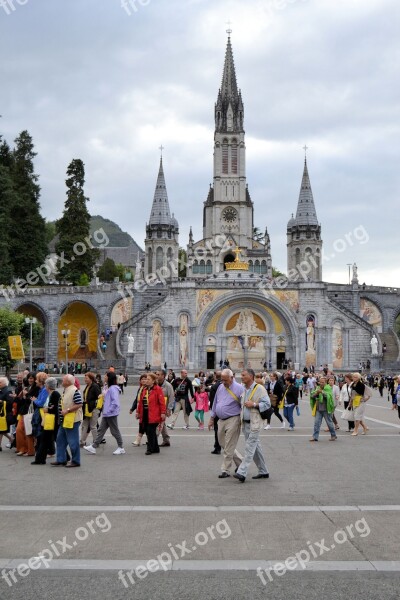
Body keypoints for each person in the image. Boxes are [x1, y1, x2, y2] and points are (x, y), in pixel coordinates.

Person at [233, 369, 270, 483]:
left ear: (251, 376)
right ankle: (264, 471)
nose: (241, 377)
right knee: (256, 448)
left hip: (255, 423)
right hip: (246, 423)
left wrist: (253, 404)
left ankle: (242, 472)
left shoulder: (259, 388)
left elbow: (267, 404)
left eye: (243, 375)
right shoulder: (245, 389)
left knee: (249, 448)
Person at [208, 369, 244, 478]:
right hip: (221, 420)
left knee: (229, 444)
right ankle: (242, 464)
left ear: (232, 377)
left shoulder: (239, 388)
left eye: (225, 380)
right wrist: (211, 417)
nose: (223, 382)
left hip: (233, 419)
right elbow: (215, 402)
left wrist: (244, 420)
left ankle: (225, 469)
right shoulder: (220, 387)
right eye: (222, 380)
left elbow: (244, 404)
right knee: (222, 442)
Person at [84, 371, 125, 455]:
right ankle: (94, 446)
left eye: (106, 376)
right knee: (101, 430)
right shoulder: (108, 387)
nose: (104, 377)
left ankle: (121, 447)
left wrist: (109, 410)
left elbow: (115, 402)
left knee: (114, 431)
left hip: (111, 413)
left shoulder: (113, 388)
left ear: (109, 378)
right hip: (107, 413)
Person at [51, 374, 83, 467]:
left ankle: (76, 461)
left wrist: (67, 410)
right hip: (64, 420)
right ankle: (61, 459)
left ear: (68, 382)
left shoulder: (74, 390)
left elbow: (79, 404)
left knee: (73, 441)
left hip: (72, 420)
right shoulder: (67, 390)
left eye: (63, 380)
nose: (62, 381)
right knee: (60, 440)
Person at [31, 377, 60, 465]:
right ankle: (40, 459)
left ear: (47, 386)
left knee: (57, 439)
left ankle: (65, 457)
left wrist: (48, 409)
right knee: (45, 439)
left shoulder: (55, 394)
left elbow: (56, 408)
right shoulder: (51, 394)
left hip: (53, 420)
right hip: (49, 420)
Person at [136, 372, 166, 455]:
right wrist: (138, 412)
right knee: (149, 431)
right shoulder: (144, 389)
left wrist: (163, 412)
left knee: (150, 431)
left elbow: (162, 402)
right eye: (146, 379)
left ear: (153, 381)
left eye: (148, 379)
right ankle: (156, 448)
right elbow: (141, 403)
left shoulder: (158, 389)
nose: (146, 381)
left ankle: (149, 448)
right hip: (145, 413)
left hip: (154, 413)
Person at [15, 372, 38, 457]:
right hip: (24, 411)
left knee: (28, 431)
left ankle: (30, 450)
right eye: (29, 378)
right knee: (19, 430)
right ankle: (22, 449)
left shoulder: (36, 388)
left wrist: (26, 395)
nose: (30, 380)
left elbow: (33, 400)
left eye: (31, 378)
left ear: (35, 379)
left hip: (30, 412)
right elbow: (21, 400)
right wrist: (21, 396)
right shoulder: (27, 387)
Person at [309, 376, 337, 442]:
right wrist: (317, 393)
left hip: (326, 409)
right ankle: (315, 437)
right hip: (318, 409)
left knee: (329, 423)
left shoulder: (328, 388)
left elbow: (329, 397)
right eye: (320, 382)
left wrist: (322, 392)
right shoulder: (317, 388)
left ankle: (333, 435)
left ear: (325, 382)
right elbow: (312, 396)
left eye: (323, 382)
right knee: (316, 423)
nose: (321, 383)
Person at [80, 372, 101, 447]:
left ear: (91, 378)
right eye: (85, 378)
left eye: (86, 378)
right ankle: (82, 441)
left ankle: (96, 442)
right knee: (84, 425)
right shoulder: (88, 386)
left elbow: (100, 397)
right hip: (87, 408)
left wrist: (98, 408)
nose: (85, 379)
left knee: (93, 426)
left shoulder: (95, 386)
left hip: (94, 408)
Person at [155, 369, 175, 447]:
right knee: (162, 424)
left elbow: (171, 398)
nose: (156, 376)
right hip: (156, 408)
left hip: (163, 409)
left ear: (163, 376)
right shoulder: (155, 384)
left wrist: (169, 409)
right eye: (156, 374)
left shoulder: (168, 385)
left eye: (158, 374)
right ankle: (166, 440)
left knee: (159, 424)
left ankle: (153, 439)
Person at [130, 374, 147, 446]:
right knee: (143, 424)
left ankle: (138, 440)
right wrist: (132, 409)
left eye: (145, 379)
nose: (143, 380)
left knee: (143, 425)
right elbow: (137, 399)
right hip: (140, 408)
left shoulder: (148, 388)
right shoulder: (140, 388)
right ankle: (139, 440)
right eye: (142, 379)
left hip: (146, 409)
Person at [209, 371, 222, 455]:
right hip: (227, 411)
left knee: (217, 429)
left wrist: (212, 414)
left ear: (215, 377)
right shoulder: (227, 385)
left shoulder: (214, 386)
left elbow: (212, 400)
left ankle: (217, 447)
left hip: (217, 411)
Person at [0, 377, 15, 451]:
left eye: (0, 382)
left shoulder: (7, 391)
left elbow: (10, 402)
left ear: (4, 383)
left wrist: (1, 402)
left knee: (2, 429)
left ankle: (12, 440)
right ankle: (12, 440)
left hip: (5, 414)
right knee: (2, 430)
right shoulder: (2, 390)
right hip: (2, 413)